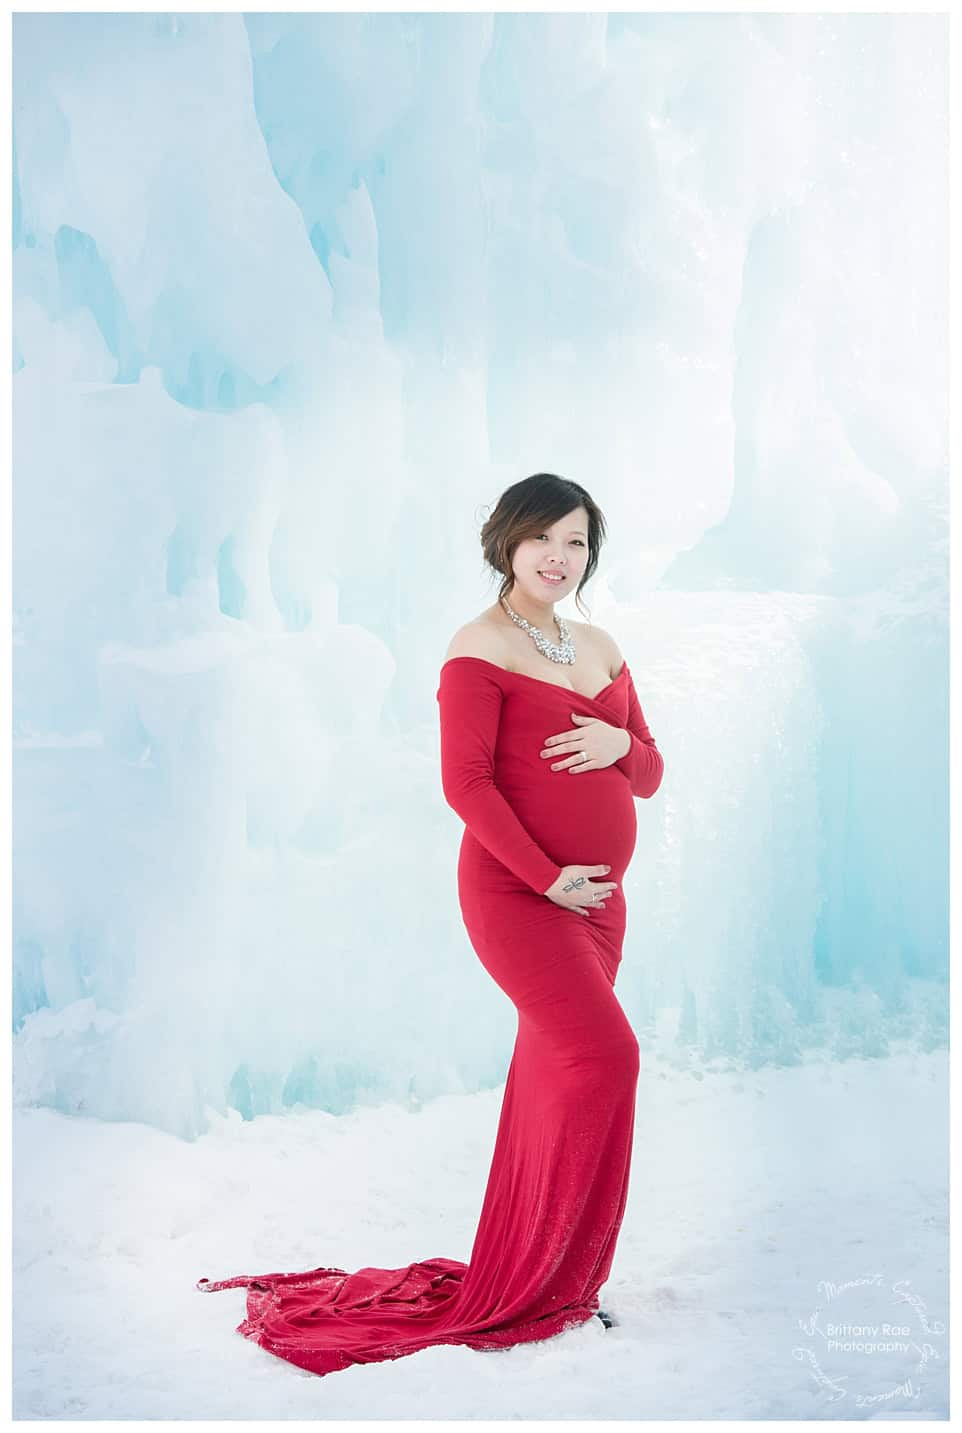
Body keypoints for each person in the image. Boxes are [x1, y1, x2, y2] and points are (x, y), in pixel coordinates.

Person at [195, 473, 664, 1377]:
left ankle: (559, 1280)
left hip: (599, 903)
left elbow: (648, 772)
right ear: (506, 543)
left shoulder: (600, 645)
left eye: (575, 541)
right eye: (542, 540)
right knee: (605, 1056)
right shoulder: (476, 647)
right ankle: (544, 1282)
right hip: (520, 897)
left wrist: (620, 746)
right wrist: (546, 876)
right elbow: (466, 784)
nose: (558, 557)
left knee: (552, 1074)